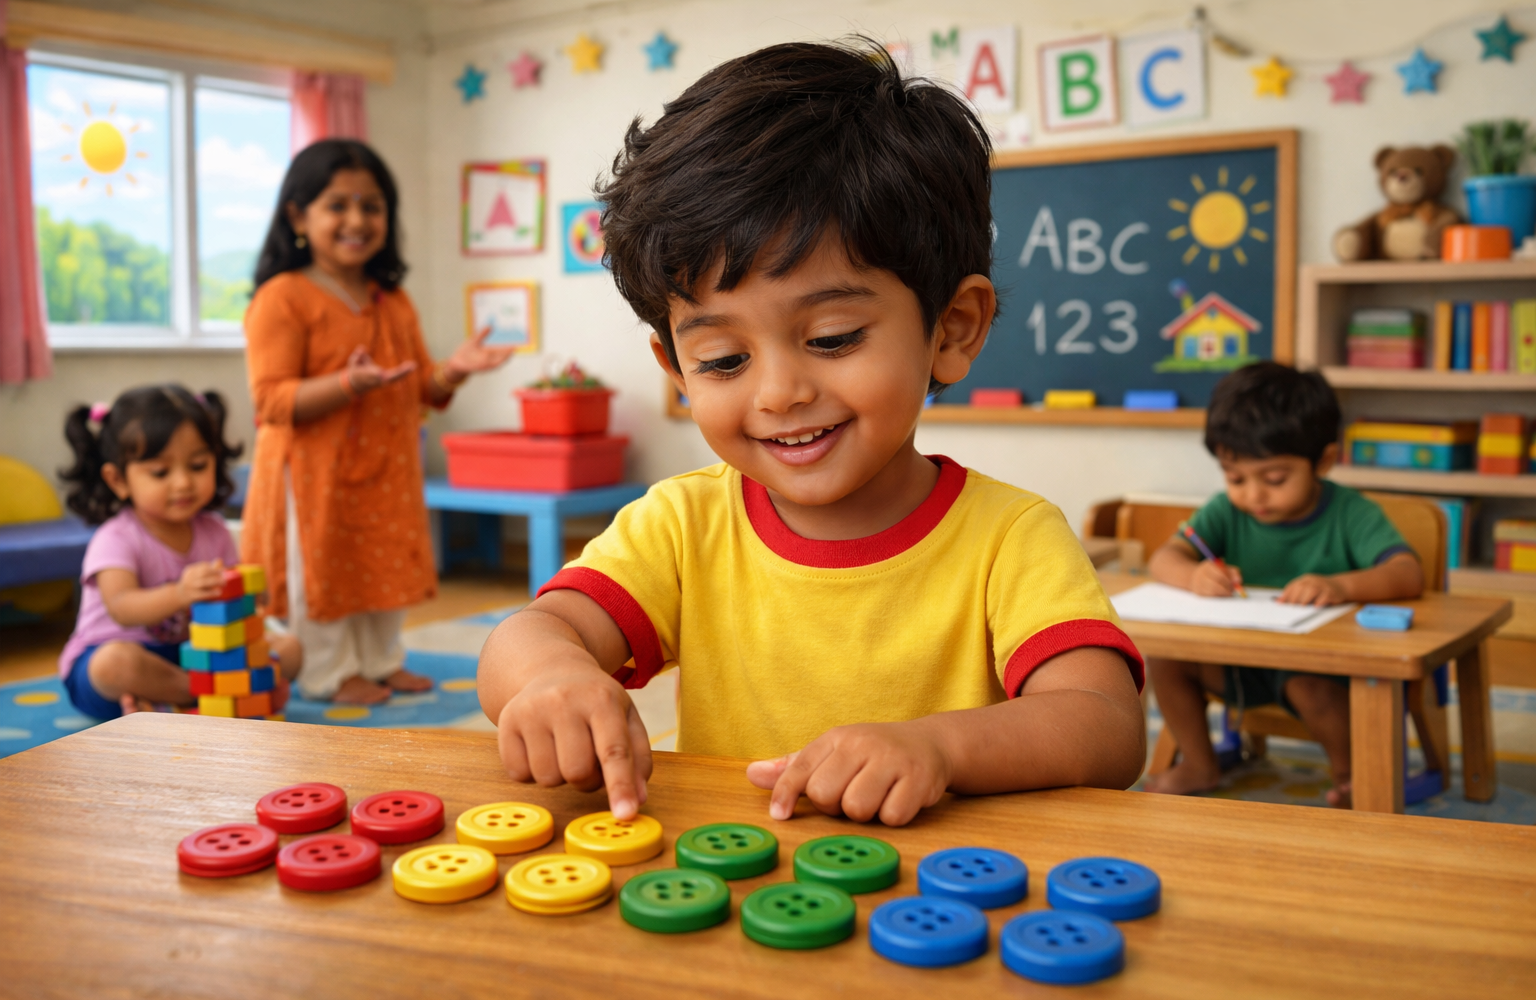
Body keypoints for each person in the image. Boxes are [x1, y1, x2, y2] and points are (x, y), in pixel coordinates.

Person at [477, 41, 1147, 827]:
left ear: (953, 330)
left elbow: (1106, 723)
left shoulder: (1009, 536)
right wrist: (552, 676)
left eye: (831, 338)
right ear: (677, 369)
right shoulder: (683, 525)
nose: (781, 393)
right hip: (728, 902)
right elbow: (530, 633)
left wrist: (940, 748)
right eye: (724, 359)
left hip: (940, 912)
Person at [242, 140, 515, 705]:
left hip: (384, 468)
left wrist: (455, 371)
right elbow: (270, 401)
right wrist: (347, 384)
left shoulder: (393, 300)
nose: (356, 220)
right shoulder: (282, 298)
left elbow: (419, 389)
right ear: (297, 215)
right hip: (313, 475)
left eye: (371, 206)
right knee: (323, 570)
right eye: (337, 205)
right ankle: (328, 672)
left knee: (380, 566)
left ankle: (380, 660)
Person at [1143, 362, 1424, 806]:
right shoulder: (1225, 511)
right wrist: (1193, 574)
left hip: (1320, 671)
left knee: (1308, 687)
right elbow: (1164, 557)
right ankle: (1199, 762)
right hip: (1235, 660)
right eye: (1235, 478)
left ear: (1324, 461)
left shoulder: (1350, 513)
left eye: (1274, 479)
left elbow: (1407, 571)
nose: (1253, 495)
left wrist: (1341, 586)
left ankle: (1351, 775)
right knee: (1165, 659)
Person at [57, 385, 296, 718]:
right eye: (160, 472)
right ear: (118, 480)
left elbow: (231, 598)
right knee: (115, 664)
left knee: (289, 649)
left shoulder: (213, 531)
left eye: (197, 466)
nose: (183, 482)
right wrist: (180, 593)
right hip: (118, 659)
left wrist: (250, 593)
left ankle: (176, 704)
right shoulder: (116, 538)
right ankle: (198, 696)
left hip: (197, 652)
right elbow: (122, 607)